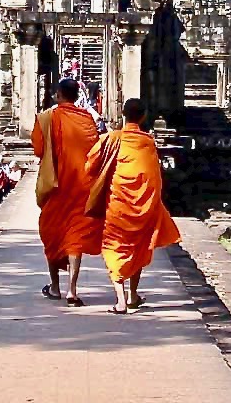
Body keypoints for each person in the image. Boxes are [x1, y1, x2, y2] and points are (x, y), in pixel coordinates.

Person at [86, 98, 180, 315]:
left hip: (118, 204)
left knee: (114, 246)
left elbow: (90, 164)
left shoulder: (111, 139)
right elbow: (155, 178)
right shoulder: (148, 142)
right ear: (144, 116)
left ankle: (122, 299)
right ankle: (133, 295)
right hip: (143, 205)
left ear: (123, 114)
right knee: (138, 244)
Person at [32, 77, 103, 306]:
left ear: (59, 95)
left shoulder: (47, 118)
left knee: (52, 233)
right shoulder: (87, 118)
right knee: (75, 237)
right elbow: (95, 150)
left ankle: (55, 286)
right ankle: (72, 289)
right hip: (82, 186)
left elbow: (38, 149)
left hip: (57, 185)